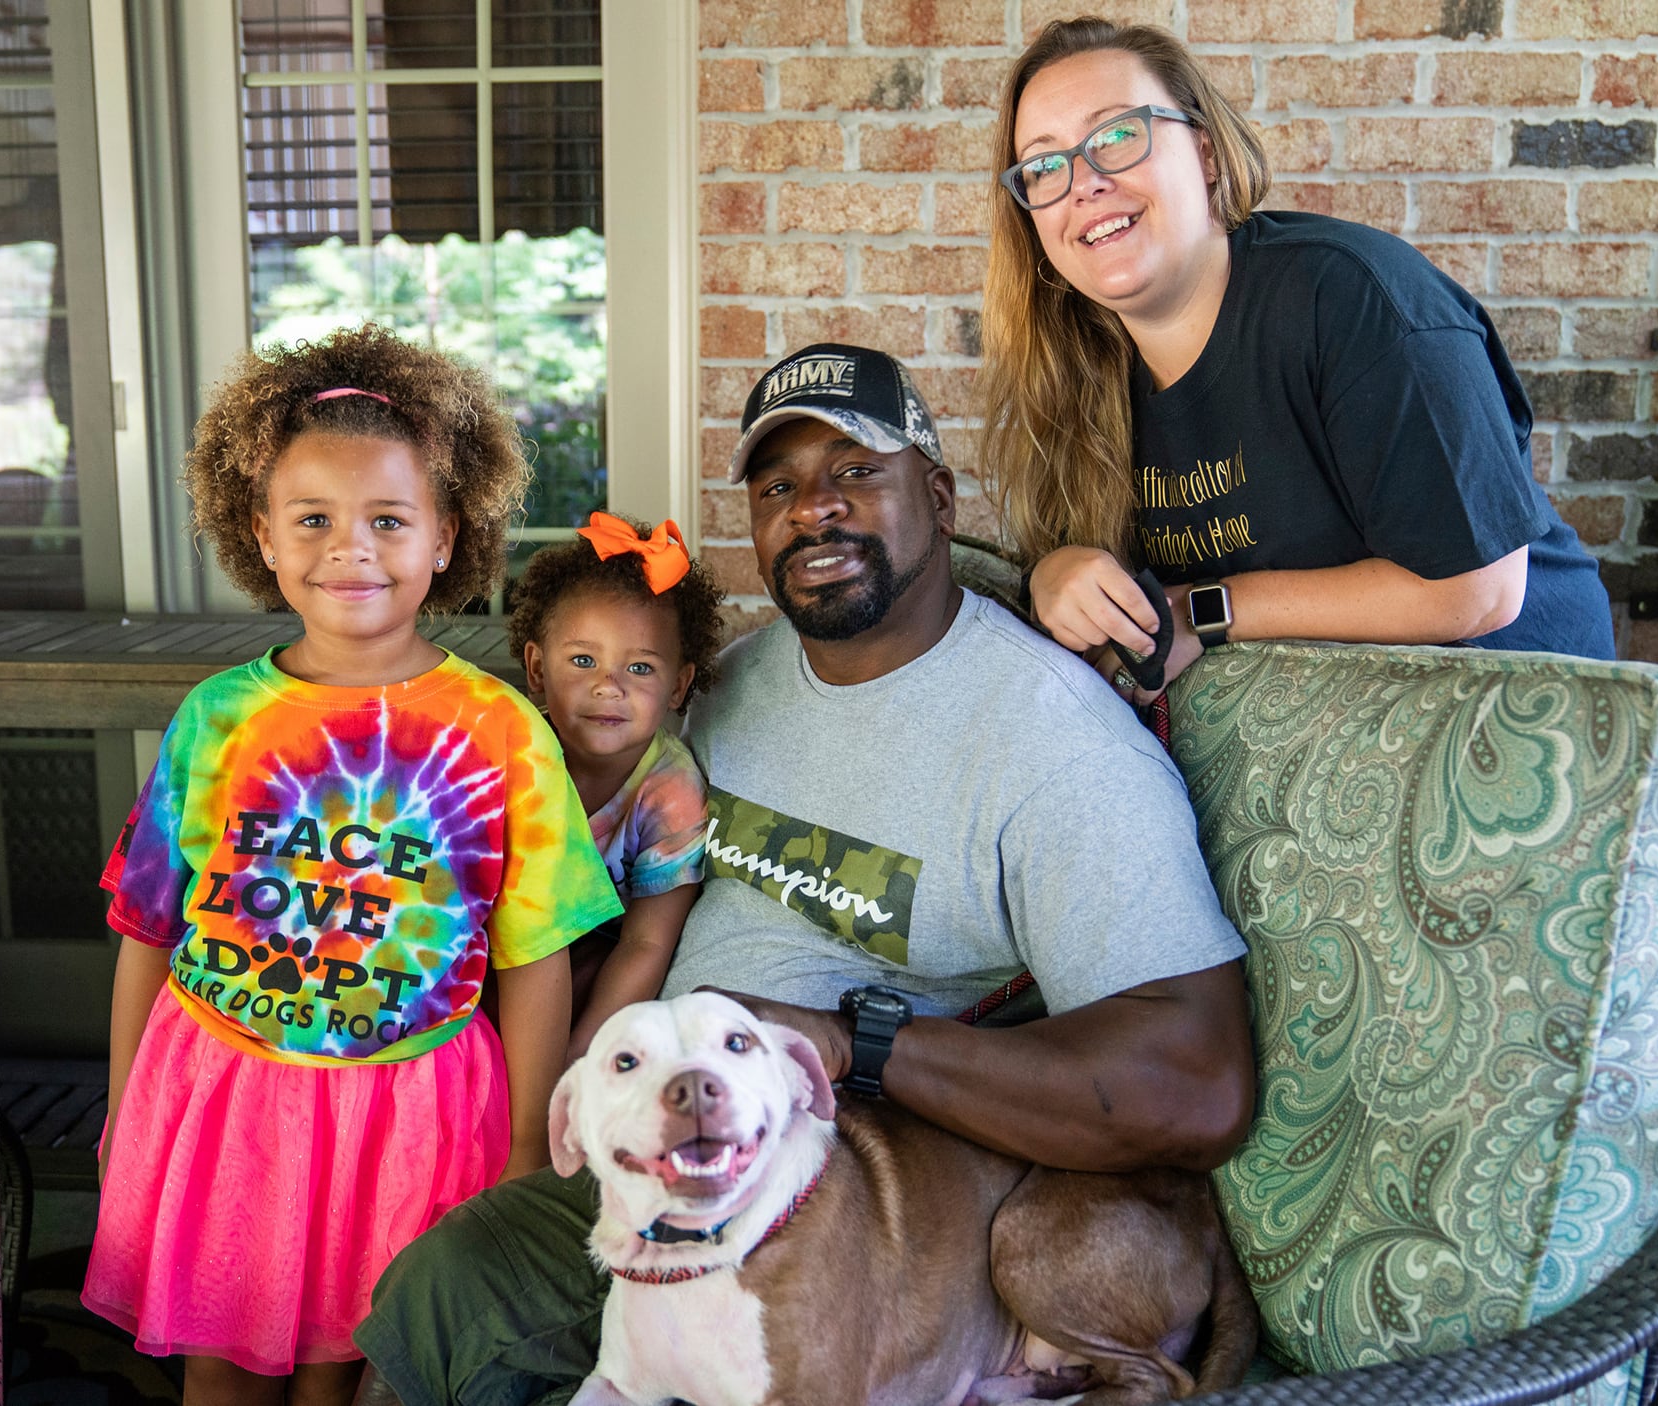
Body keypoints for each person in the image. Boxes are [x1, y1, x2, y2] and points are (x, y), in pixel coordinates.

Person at [352, 343, 1253, 1406]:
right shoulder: (730, 682)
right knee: (426, 1288)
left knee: (461, 1297)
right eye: (777, 485)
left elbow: (1197, 1085)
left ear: (935, 489)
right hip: (655, 1131)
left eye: (854, 469)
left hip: (845, 1187)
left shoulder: (1054, 746)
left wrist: (852, 1040)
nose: (813, 507)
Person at [83, 324, 623, 1406]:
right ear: (262, 537)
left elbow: (534, 957)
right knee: (219, 1372)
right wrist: (120, 1103)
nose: (351, 548)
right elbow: (149, 927)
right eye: (314, 520)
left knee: (349, 1375)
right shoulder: (216, 718)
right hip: (226, 1096)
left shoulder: (498, 730)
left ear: (443, 538)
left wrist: (527, 1137)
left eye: (387, 519)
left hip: (409, 1116)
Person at [978, 16, 1614, 706]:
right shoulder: (1074, 363)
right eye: (1045, 164)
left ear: (1207, 153)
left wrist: (1202, 610)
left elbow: (1477, 590)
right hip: (1333, 729)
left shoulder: (1354, 300)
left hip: (1523, 712)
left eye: (1119, 135)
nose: (1084, 181)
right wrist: (1056, 576)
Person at [502, 512, 726, 1056]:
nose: (609, 687)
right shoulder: (510, 751)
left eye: (641, 669)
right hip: (499, 956)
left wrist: (579, 1063)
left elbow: (646, 944)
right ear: (537, 669)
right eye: (583, 660)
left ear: (679, 685)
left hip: (597, 975)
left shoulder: (671, 793)